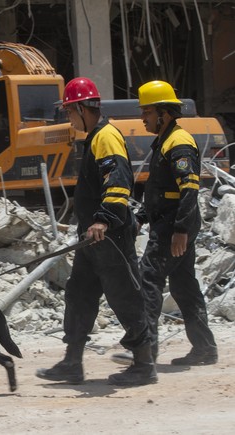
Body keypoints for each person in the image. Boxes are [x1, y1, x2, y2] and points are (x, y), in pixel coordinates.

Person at [35, 77, 157, 386]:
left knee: (124, 297)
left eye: (68, 112)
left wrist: (104, 219)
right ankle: (72, 362)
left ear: (80, 108)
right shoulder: (95, 137)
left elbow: (117, 181)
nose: (67, 118)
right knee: (79, 295)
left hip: (109, 236)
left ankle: (143, 364)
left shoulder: (106, 136)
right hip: (92, 237)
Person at [134, 80, 217, 365]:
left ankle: (145, 353)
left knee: (149, 278)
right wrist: (142, 217)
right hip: (170, 221)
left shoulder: (178, 142)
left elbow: (189, 189)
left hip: (173, 225)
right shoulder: (166, 140)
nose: (143, 118)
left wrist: (180, 229)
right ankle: (205, 349)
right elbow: (161, 190)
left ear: (164, 113)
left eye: (147, 112)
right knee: (183, 286)